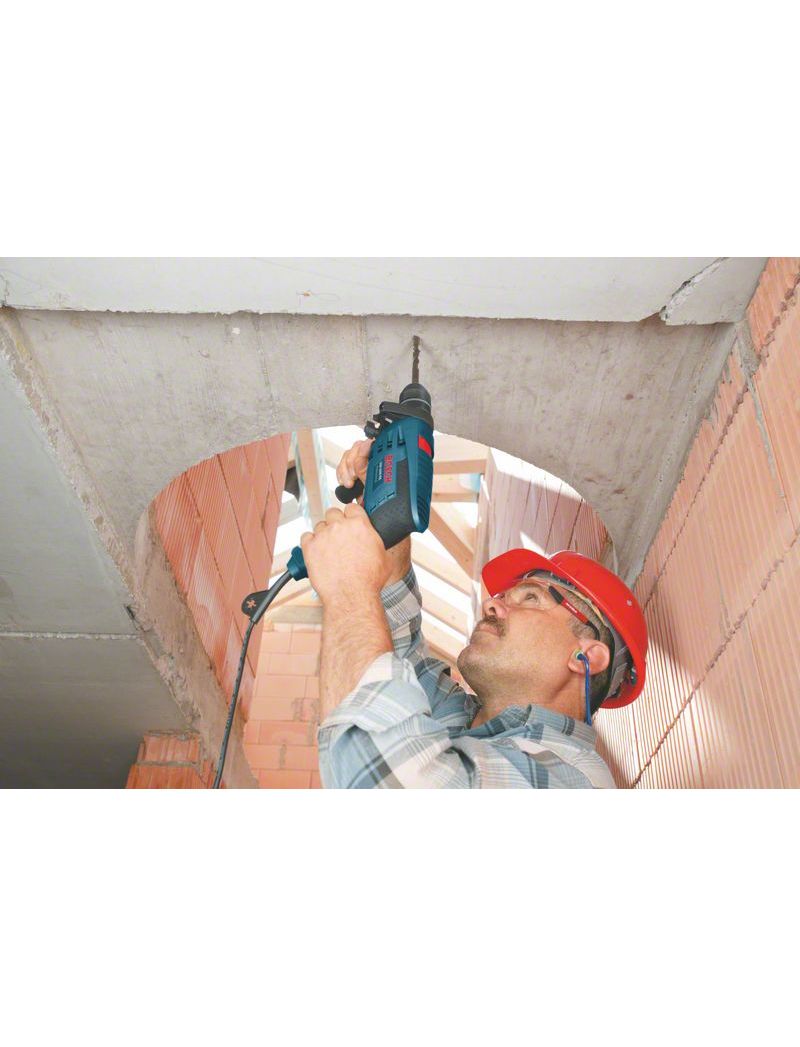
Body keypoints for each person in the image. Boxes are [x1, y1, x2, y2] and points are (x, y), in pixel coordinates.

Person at [300, 438, 648, 788]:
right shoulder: (461, 718)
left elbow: (380, 780)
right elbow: (391, 643)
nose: (491, 605)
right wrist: (384, 509)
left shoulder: (572, 777)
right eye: (503, 596)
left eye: (531, 598)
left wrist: (349, 586)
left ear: (586, 656)